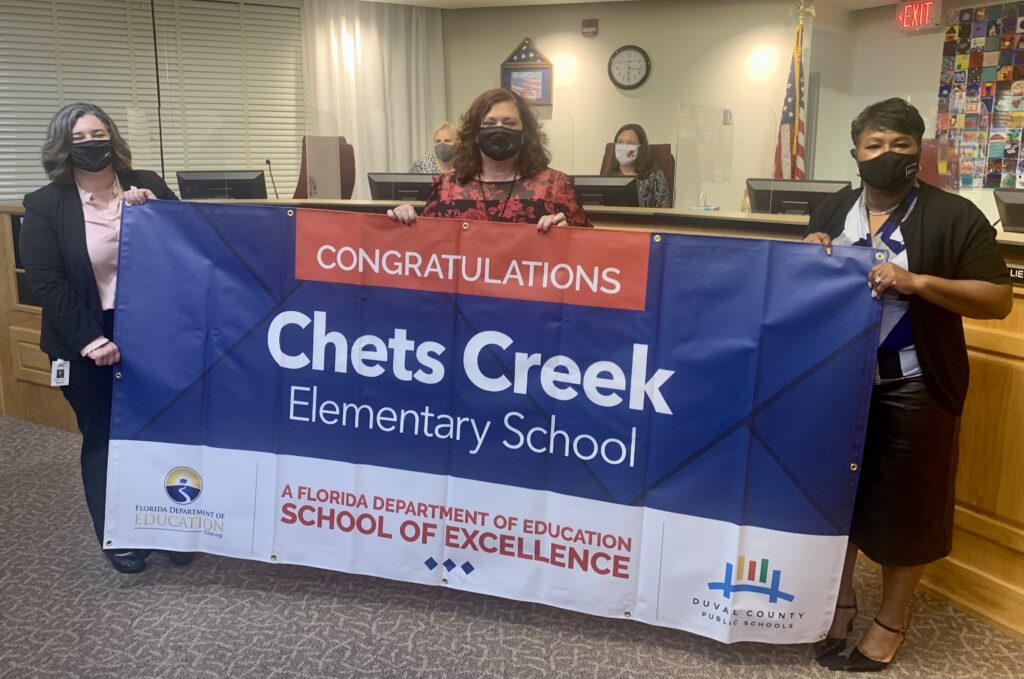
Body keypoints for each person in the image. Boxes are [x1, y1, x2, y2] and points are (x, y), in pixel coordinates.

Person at [804, 98, 1011, 672]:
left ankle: (890, 619)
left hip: (914, 384)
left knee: (909, 508)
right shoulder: (833, 206)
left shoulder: (953, 215)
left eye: (900, 144)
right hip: (836, 382)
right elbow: (800, 290)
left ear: (918, 150)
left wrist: (917, 281)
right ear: (856, 154)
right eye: (875, 145)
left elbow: (997, 299)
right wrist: (805, 257)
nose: (887, 155)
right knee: (834, 498)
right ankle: (839, 600)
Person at [19, 103, 193, 574]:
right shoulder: (45, 204)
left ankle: (169, 524)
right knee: (104, 438)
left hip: (152, 332)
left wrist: (159, 214)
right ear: (63, 147)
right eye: (80, 138)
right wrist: (90, 340)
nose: (92, 144)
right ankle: (118, 534)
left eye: (99, 133)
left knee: (161, 432)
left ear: (112, 137)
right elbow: (46, 282)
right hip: (84, 339)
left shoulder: (148, 183)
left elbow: (193, 243)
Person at [387, 88, 590, 230]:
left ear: (525, 133)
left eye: (509, 123)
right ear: (475, 133)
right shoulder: (445, 187)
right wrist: (405, 222)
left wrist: (568, 233)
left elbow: (590, 251)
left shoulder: (555, 186)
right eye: (490, 123)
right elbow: (427, 247)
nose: (499, 129)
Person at [603, 123, 670, 208]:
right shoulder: (608, 177)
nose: (624, 147)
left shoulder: (656, 177)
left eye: (630, 143)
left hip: (645, 221)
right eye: (620, 142)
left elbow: (663, 212)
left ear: (640, 149)